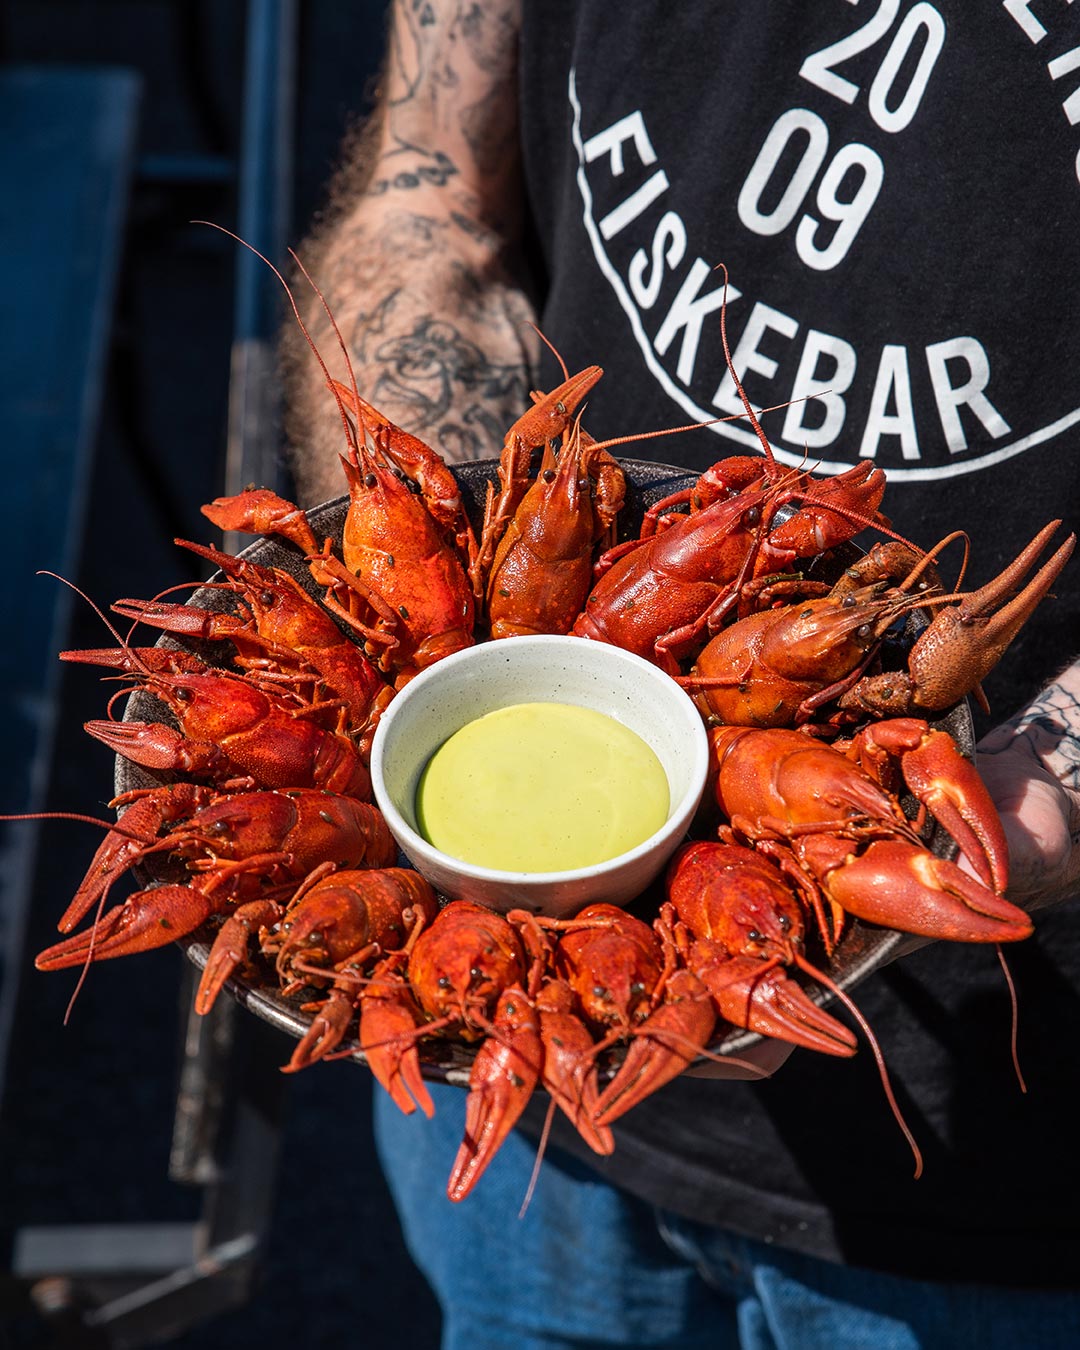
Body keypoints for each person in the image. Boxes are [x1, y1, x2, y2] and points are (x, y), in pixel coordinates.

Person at [281, 3, 1080, 1345]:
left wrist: (1035, 790)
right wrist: (416, 603)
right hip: (498, 1062)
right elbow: (434, 186)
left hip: (1000, 1136)